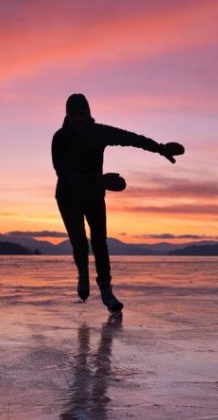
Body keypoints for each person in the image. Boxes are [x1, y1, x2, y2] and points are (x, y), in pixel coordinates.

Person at [52, 93, 183, 312]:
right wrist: (96, 180)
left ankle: (106, 289)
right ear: (67, 115)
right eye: (73, 114)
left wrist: (159, 148)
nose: (78, 118)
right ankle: (83, 273)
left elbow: (130, 138)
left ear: (88, 113)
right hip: (68, 198)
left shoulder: (99, 133)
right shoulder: (60, 138)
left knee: (100, 243)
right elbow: (62, 172)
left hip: (93, 196)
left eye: (81, 114)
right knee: (79, 243)